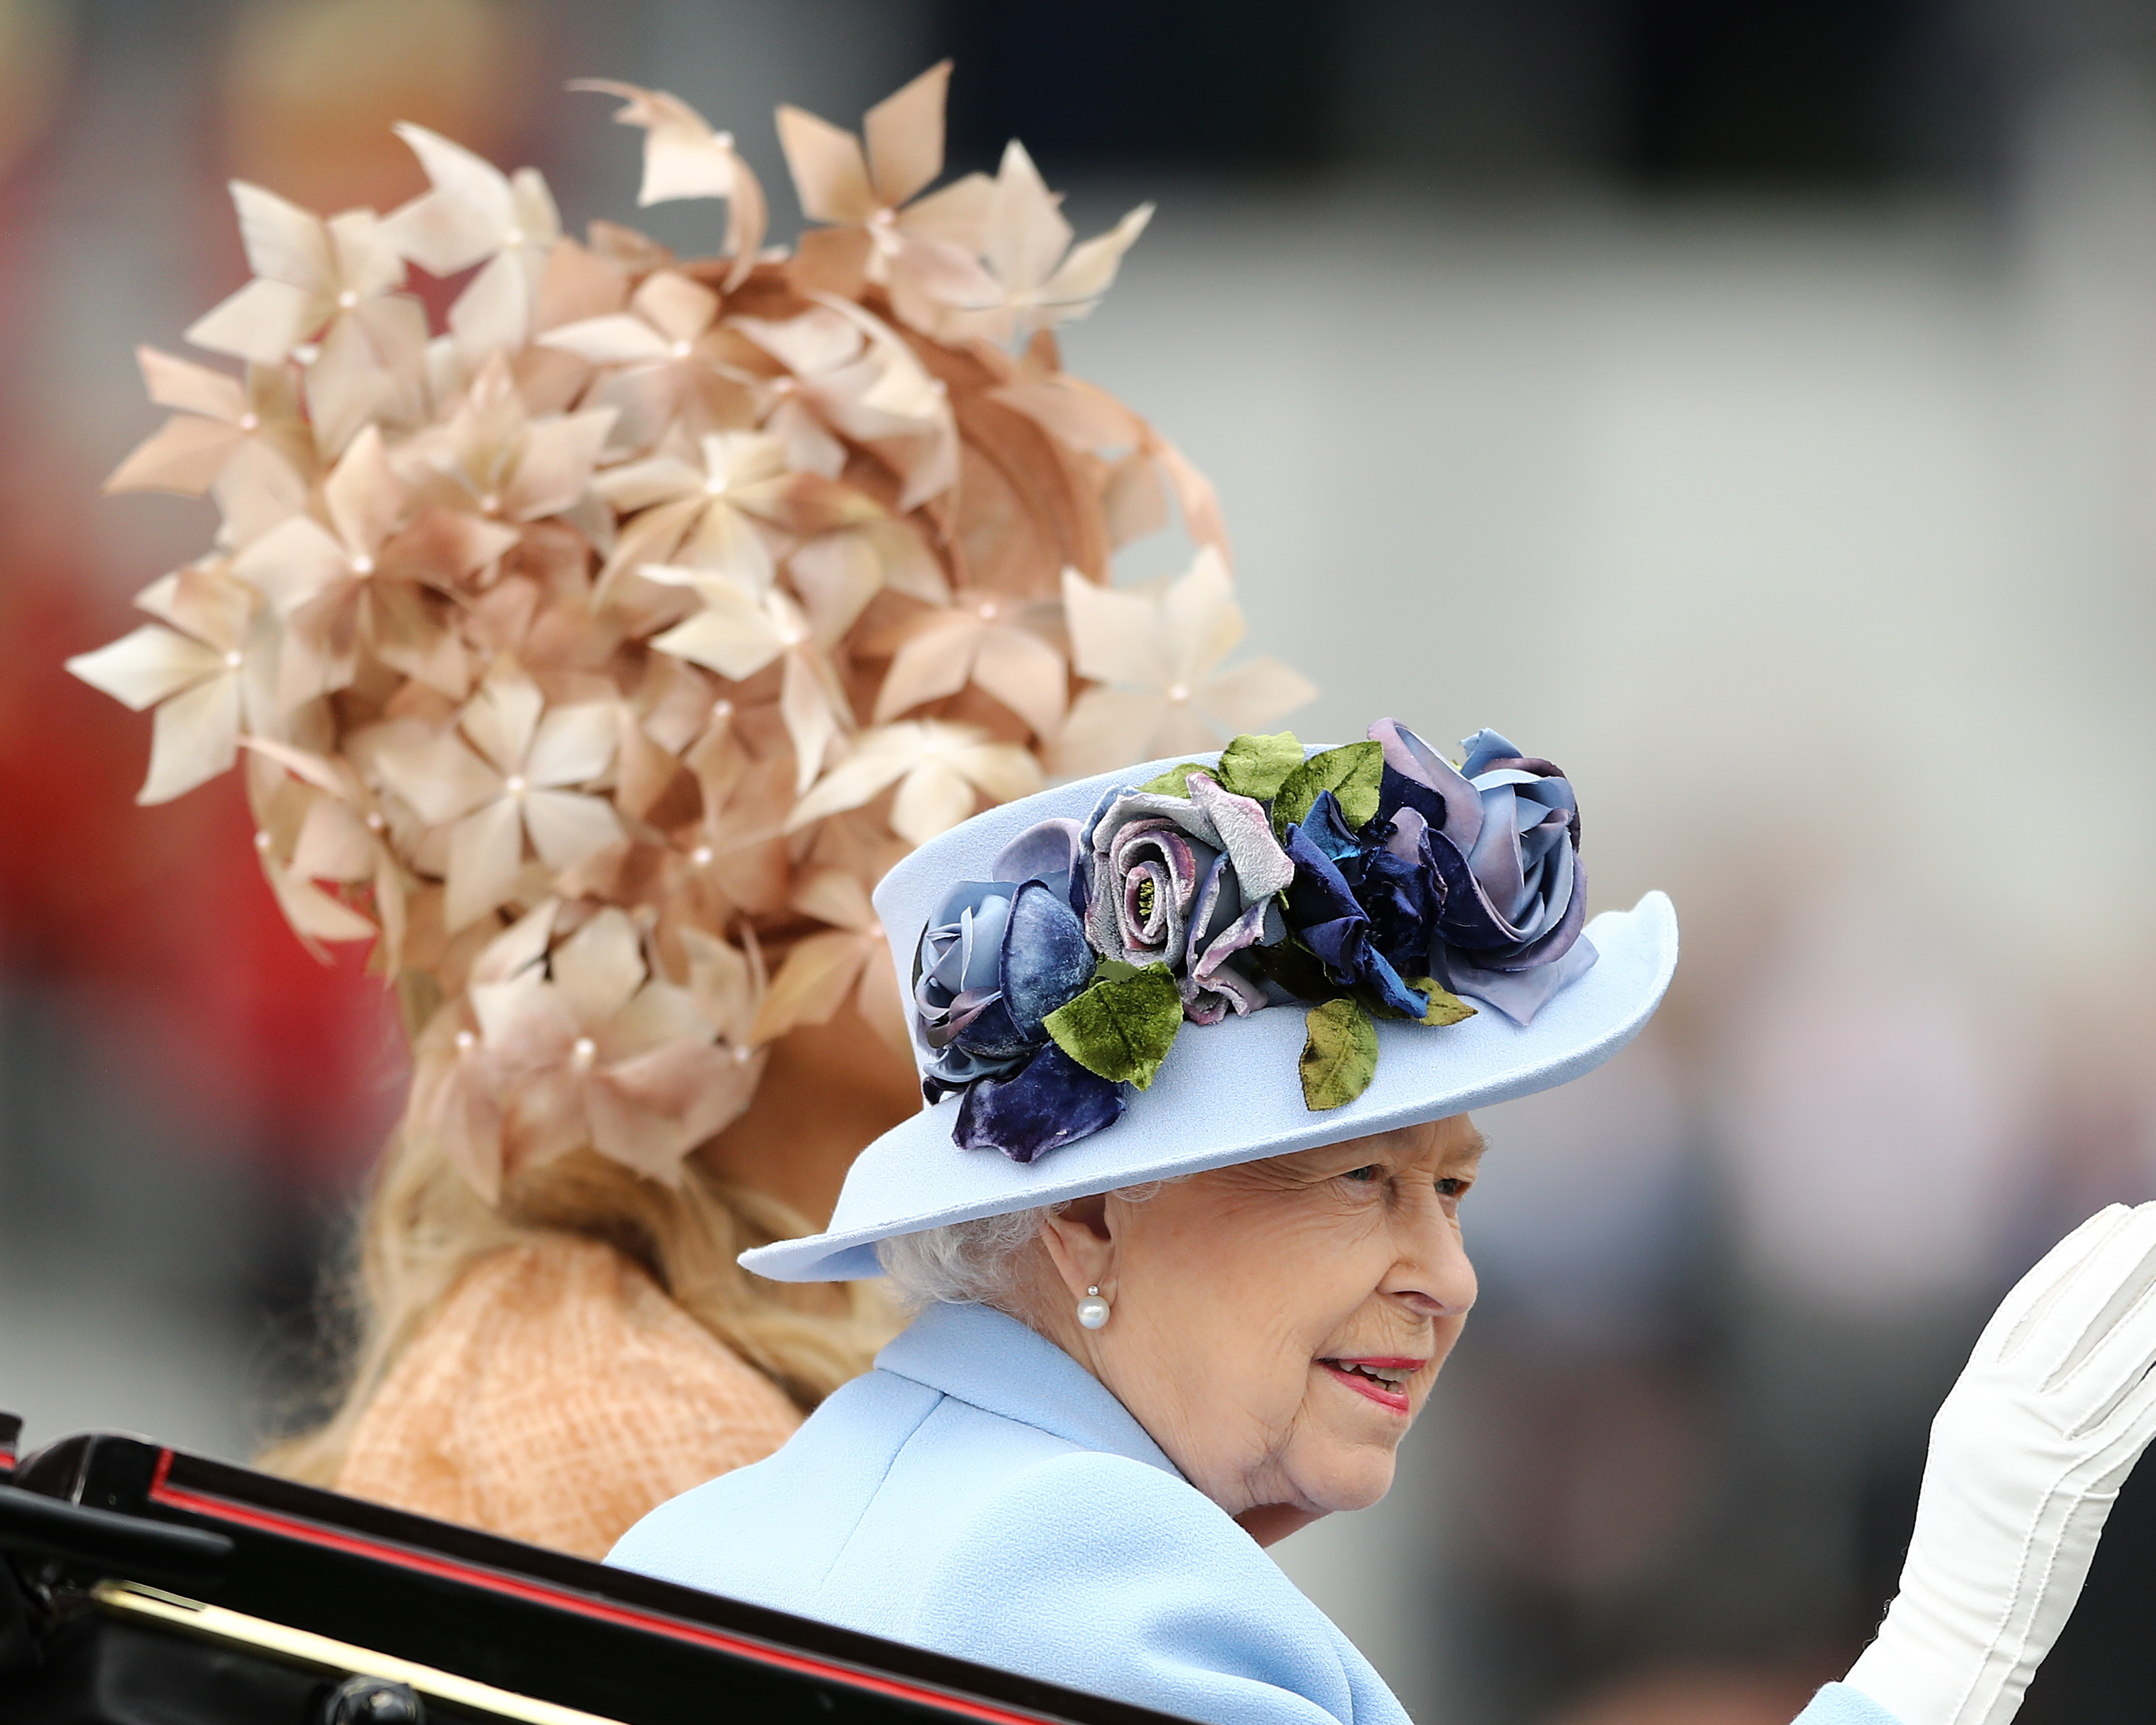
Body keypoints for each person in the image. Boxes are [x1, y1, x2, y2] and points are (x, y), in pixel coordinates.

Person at [613, 727, 2156, 1725]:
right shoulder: (1089, 1576)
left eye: (1451, 1190)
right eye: (1359, 1181)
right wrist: (1953, 1647)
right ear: (1091, 1222)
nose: (1443, 1274)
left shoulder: (710, 1533)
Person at [68, 62, 1300, 1558]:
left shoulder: (740, 1377)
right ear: (652, 871)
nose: (1022, 835)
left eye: (1030, 735)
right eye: (910, 744)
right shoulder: (627, 1427)